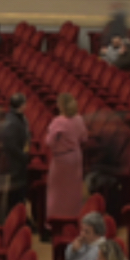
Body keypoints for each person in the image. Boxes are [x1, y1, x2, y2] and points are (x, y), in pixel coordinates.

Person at [45, 93, 88, 226]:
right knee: (74, 191)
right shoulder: (79, 119)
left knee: (57, 192)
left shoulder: (59, 121)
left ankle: (55, 221)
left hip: (62, 159)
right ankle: (74, 219)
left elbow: (49, 142)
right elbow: (84, 138)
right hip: (75, 156)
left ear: (61, 106)